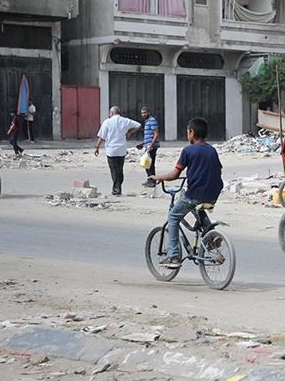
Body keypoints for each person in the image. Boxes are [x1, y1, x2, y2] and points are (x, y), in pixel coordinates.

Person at [152, 118, 224, 269]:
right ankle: (211, 233)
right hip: (214, 193)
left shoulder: (188, 151)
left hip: (196, 193)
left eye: (187, 132)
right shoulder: (212, 150)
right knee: (196, 205)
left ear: (192, 132)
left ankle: (173, 257)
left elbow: (174, 175)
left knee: (173, 216)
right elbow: (218, 169)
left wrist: (159, 177)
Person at [94, 106, 142, 196]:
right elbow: (138, 125)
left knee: (114, 170)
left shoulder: (107, 122)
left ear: (111, 113)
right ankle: (118, 186)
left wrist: (97, 147)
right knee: (120, 169)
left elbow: (102, 137)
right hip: (121, 150)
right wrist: (130, 133)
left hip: (111, 150)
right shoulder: (125, 121)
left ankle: (117, 189)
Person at [138, 106, 161, 188]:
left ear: (149, 112)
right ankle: (150, 179)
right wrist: (142, 144)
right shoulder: (147, 122)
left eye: (145, 113)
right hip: (148, 145)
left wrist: (151, 146)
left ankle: (152, 180)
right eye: (142, 113)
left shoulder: (152, 121)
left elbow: (156, 134)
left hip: (152, 146)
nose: (143, 114)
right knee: (147, 163)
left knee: (149, 164)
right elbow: (149, 136)